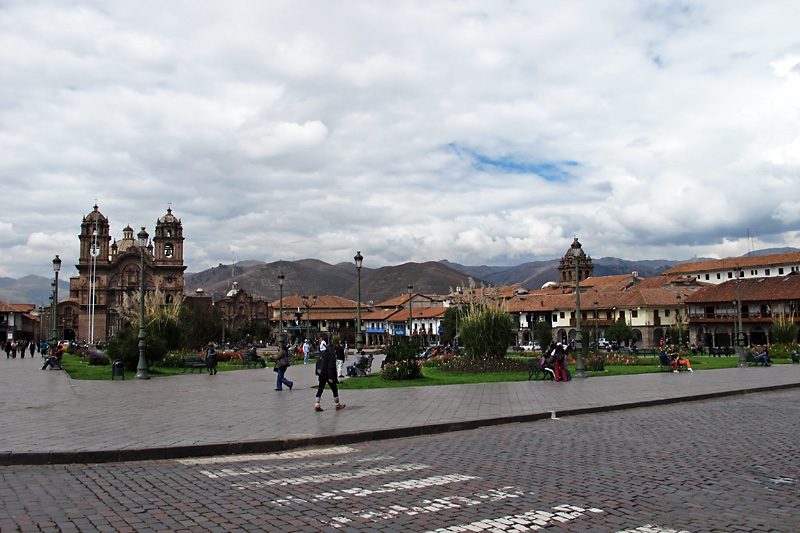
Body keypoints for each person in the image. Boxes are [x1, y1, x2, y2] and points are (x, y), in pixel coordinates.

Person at [314, 345, 345, 412]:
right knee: (334, 389)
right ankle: (337, 404)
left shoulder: (322, 354)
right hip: (328, 375)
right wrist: (330, 377)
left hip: (322, 374)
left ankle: (317, 404)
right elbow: (331, 367)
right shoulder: (331, 356)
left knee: (320, 389)